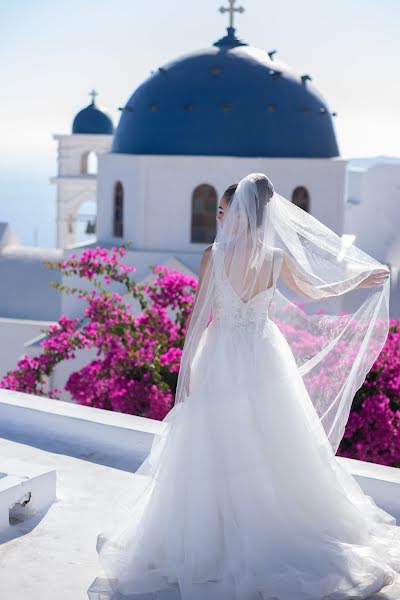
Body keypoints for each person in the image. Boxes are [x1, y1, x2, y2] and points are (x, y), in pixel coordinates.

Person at [96, 173, 399, 600]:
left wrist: (188, 378)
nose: (220, 219)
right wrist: (358, 280)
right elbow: (317, 291)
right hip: (263, 353)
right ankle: (266, 523)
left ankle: (223, 535)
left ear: (242, 214)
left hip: (222, 354)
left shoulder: (213, 256)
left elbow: (198, 321)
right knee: (268, 441)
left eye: (224, 211)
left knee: (219, 443)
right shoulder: (275, 257)